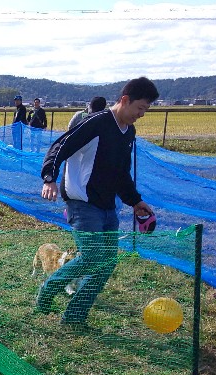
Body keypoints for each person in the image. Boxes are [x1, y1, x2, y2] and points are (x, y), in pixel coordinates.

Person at [37, 77, 160, 325]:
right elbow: (60, 146)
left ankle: (74, 317)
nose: (142, 115)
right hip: (82, 203)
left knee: (107, 263)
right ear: (125, 100)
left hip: (108, 207)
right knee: (92, 257)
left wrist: (135, 201)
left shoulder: (129, 132)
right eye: (140, 108)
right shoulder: (96, 123)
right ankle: (47, 291)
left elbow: (121, 172)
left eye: (146, 110)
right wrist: (49, 177)